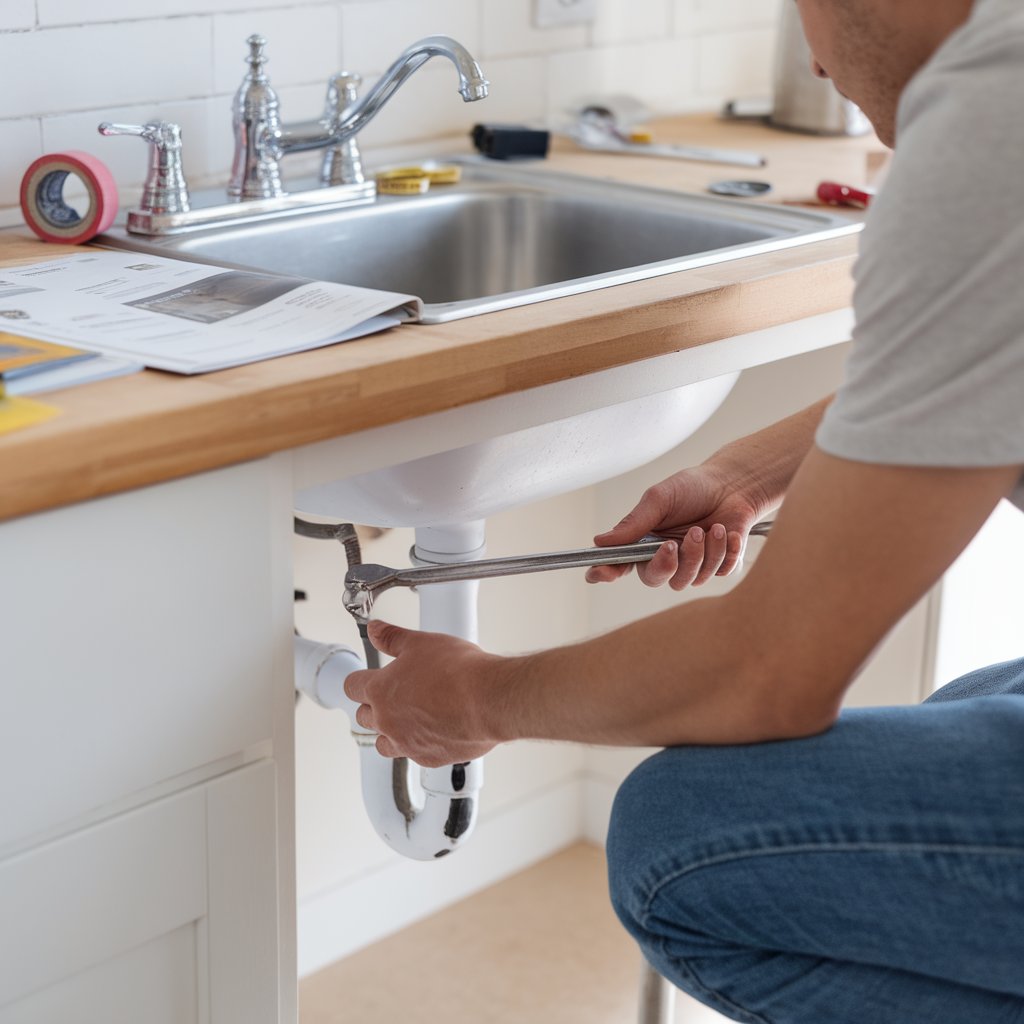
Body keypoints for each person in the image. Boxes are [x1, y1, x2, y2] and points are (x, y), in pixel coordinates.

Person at [345, 0, 1024, 1019]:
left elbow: (768, 674)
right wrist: (752, 469)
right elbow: (980, 364)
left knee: (679, 842)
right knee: (970, 703)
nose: (811, 51)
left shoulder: (986, 127)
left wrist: (478, 700)